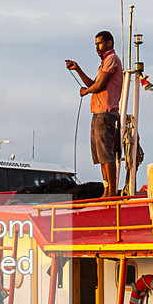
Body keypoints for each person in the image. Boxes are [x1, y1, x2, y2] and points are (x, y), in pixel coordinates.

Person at [66, 30, 124, 196]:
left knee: (107, 155)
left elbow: (99, 86)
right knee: (101, 157)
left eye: (99, 43)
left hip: (106, 112)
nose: (97, 47)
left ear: (109, 43)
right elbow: (94, 83)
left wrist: (86, 92)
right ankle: (106, 191)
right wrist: (77, 69)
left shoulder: (112, 59)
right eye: (96, 44)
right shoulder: (105, 62)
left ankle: (111, 193)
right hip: (98, 113)